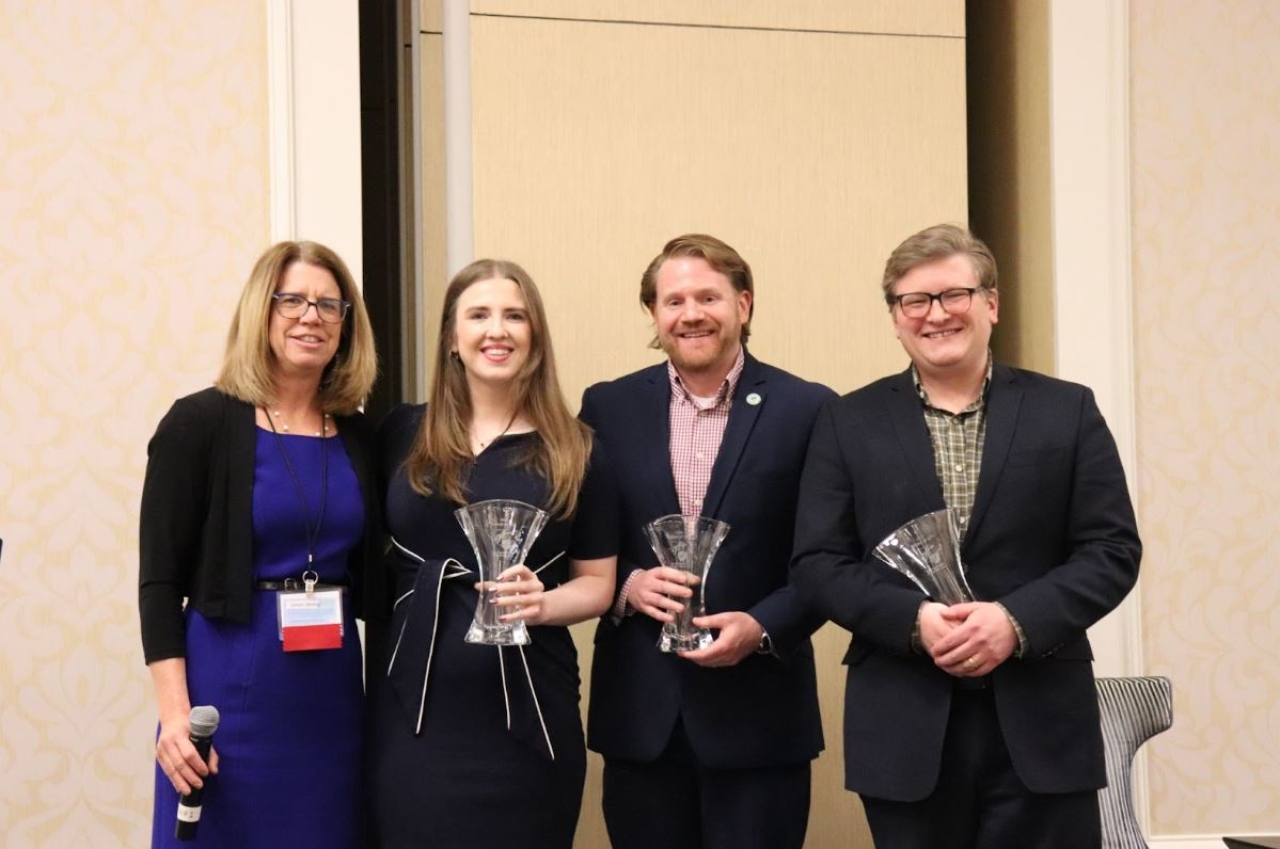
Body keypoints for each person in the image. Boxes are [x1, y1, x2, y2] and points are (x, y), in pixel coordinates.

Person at [790, 223, 1142, 848]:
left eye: (955, 294)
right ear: (896, 318)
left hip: (1042, 723)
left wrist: (1015, 620)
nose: (936, 315)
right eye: (914, 301)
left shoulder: (1067, 410)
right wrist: (912, 621)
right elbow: (818, 563)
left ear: (991, 303)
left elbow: (1112, 551)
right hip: (904, 721)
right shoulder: (848, 421)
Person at [581, 234, 832, 849]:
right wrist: (631, 587)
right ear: (654, 315)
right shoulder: (607, 407)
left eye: (708, 297)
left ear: (743, 305)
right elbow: (583, 539)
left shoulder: (809, 409)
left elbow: (829, 557)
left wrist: (763, 625)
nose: (690, 313)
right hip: (643, 717)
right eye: (673, 300)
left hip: (759, 717)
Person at [367, 259, 618, 848]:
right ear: (453, 338)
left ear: (535, 337)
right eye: (478, 315)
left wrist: (545, 603)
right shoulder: (402, 433)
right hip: (413, 714)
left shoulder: (577, 450)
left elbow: (598, 584)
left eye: (514, 315)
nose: (496, 330)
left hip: (530, 716)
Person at [139, 240, 380, 847]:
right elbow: (159, 583)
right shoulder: (199, 424)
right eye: (292, 300)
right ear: (261, 312)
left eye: (330, 305)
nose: (311, 317)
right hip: (227, 685)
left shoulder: (361, 437)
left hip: (330, 693)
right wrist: (173, 716)